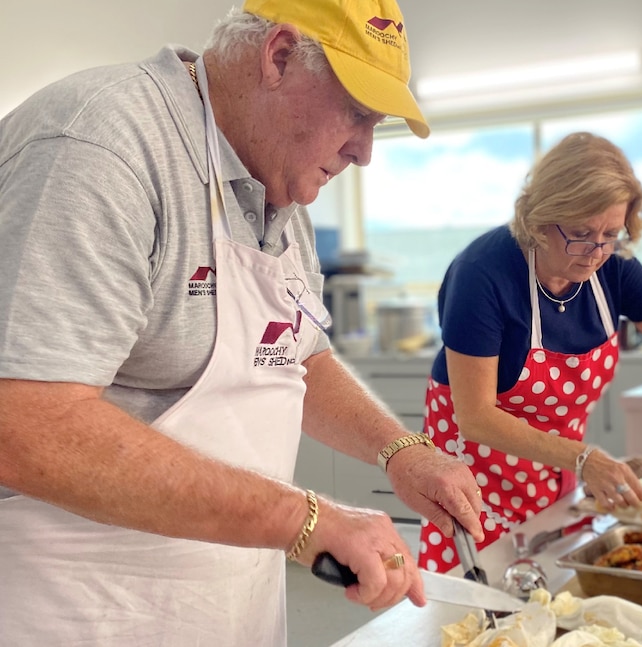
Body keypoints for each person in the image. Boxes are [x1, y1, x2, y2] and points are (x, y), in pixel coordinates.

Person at [0, 0, 484, 644]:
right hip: (79, 606)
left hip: (227, 602)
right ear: (278, 57)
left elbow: (297, 357)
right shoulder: (100, 146)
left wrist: (402, 451)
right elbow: (28, 424)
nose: (367, 151)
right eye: (360, 114)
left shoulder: (276, 190)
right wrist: (305, 519)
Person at [418, 132, 642, 573]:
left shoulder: (613, 266)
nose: (596, 252)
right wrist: (586, 459)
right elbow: (476, 416)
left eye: (611, 235)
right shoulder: (481, 275)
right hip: (471, 489)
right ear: (541, 218)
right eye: (581, 234)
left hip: (555, 483)